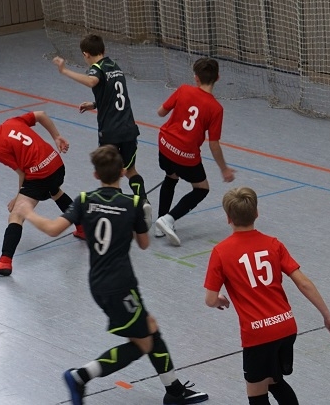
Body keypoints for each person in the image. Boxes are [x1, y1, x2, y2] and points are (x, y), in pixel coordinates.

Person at [21, 145, 209, 405]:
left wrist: (28, 212)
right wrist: (136, 221)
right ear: (122, 172)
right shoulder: (132, 204)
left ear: (96, 175)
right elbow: (144, 244)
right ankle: (80, 376)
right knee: (143, 342)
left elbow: (53, 229)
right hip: (120, 285)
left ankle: (174, 390)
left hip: (97, 282)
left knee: (149, 327)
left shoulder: (84, 200)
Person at [204, 187, 330, 405]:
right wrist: (327, 316)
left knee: (257, 394)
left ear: (228, 218)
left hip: (258, 334)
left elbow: (210, 300)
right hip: (285, 327)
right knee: (274, 380)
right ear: (256, 213)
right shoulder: (273, 244)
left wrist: (221, 300)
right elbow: (304, 283)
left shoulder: (221, 252)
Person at [52, 34, 153, 231]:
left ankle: (117, 213)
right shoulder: (114, 66)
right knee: (130, 171)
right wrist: (95, 104)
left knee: (109, 176)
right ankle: (142, 202)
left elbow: (92, 81)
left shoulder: (96, 69)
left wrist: (64, 70)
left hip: (110, 133)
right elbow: (115, 95)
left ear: (86, 54)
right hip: (129, 129)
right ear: (104, 50)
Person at [0, 109, 82, 277]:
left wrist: (18, 198)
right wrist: (56, 136)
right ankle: (82, 227)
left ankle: (5, 261)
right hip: (57, 165)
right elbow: (40, 114)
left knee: (17, 214)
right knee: (53, 190)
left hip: (41, 176)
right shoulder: (12, 121)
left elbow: (23, 174)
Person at [153, 57, 236, 246]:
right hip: (185, 154)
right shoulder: (216, 108)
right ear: (218, 78)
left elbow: (160, 112)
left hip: (164, 144)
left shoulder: (183, 89)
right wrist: (224, 169)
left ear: (196, 78)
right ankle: (168, 219)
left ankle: (159, 223)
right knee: (201, 189)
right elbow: (213, 144)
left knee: (171, 176)